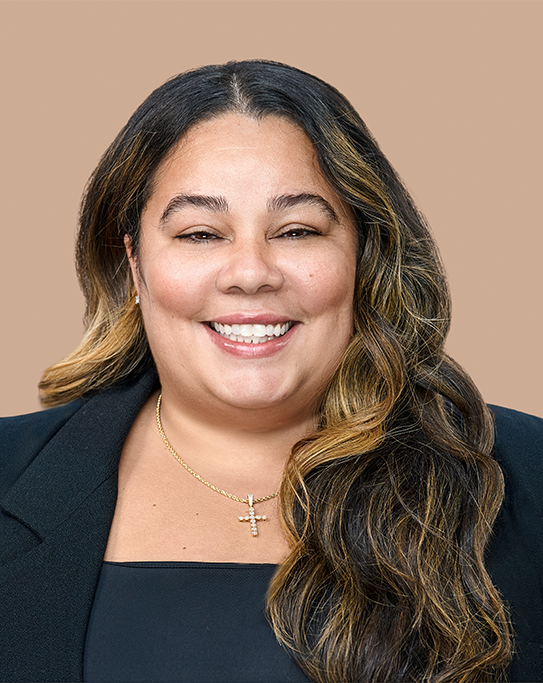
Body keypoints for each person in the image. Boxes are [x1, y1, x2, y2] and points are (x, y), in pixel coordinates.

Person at [0, 60, 541, 683]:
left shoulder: (529, 476)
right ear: (134, 260)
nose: (251, 272)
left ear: (363, 251)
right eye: (201, 233)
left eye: (297, 230)